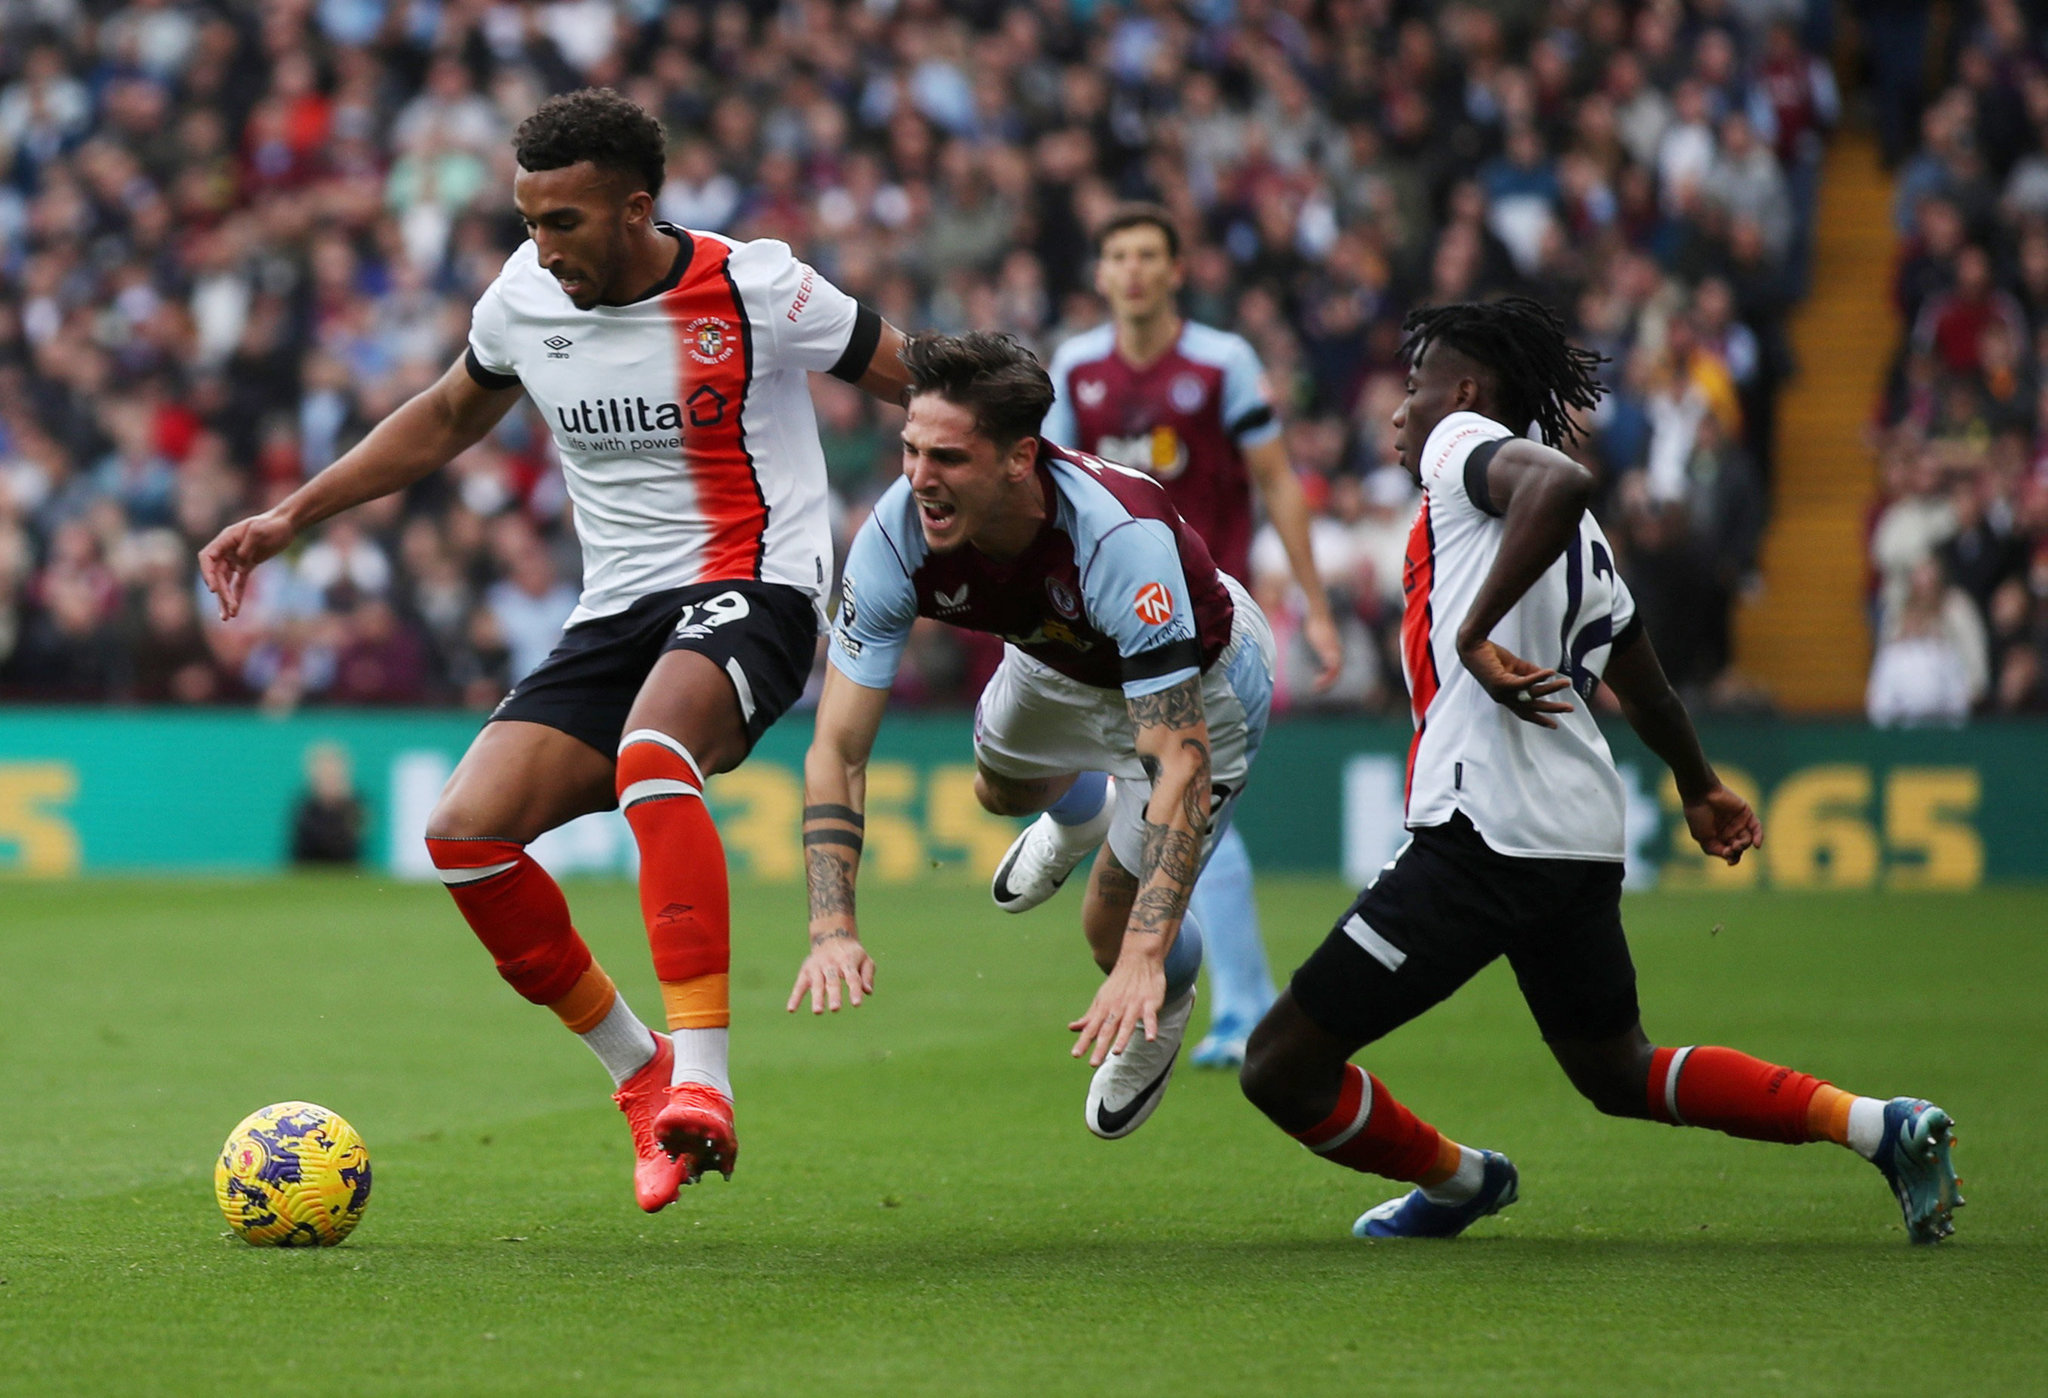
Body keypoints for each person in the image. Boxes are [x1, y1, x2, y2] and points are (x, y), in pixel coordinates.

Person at [200, 90, 911, 1213]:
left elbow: (924, 385)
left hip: (752, 587)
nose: (543, 245)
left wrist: (1045, 488)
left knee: (650, 754)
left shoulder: (756, 287)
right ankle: (641, 1075)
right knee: (463, 834)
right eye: (528, 219)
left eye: (565, 221)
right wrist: (294, 516)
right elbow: (442, 416)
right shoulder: (524, 298)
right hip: (615, 610)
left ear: (635, 208)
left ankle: (708, 1085)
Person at [1238, 298, 1963, 1244]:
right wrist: (1698, 784)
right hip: (1575, 835)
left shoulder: (1467, 445)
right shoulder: (1582, 550)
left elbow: (1561, 479)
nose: (1398, 412)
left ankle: (1460, 1182)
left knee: (1280, 1063)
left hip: (1482, 836)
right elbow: (1650, 693)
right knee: (1619, 1071)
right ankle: (1879, 1125)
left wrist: (1473, 632)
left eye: (1412, 389)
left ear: (1462, 392)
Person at [789, 331, 1276, 1140]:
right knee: (998, 790)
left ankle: (1175, 995)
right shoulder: (893, 536)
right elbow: (838, 750)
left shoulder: (1119, 542)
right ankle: (1079, 812)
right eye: (910, 450)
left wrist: (1142, 959)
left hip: (1201, 687)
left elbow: (1181, 759)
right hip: (1054, 659)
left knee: (1106, 931)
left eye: (946, 458)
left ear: (1020, 460)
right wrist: (831, 926)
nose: (918, 479)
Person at [994, 205, 1339, 1071]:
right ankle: (1093, 824)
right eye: (1119, 256)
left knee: (1188, 796)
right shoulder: (1077, 364)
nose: (1135, 270)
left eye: (1150, 255)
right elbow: (1058, 493)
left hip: (1211, 620)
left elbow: (1278, 482)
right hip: (1116, 617)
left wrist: (1317, 603)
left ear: (1177, 270)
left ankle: (1240, 1002)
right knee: (1181, 797)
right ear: (1102, 274)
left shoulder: (1223, 363)